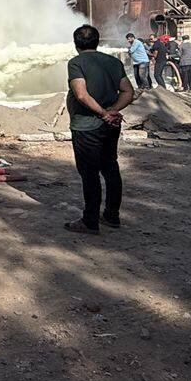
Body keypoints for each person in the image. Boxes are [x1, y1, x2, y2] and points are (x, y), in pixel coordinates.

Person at [65, 23, 135, 234]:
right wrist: (112, 111)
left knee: (89, 173)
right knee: (110, 168)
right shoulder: (113, 62)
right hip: (110, 126)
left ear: (76, 43)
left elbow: (81, 94)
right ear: (98, 41)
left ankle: (90, 221)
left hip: (86, 127)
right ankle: (112, 216)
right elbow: (128, 92)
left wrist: (104, 113)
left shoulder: (76, 63)